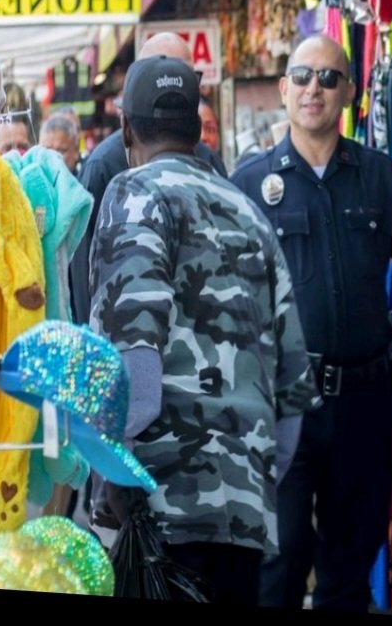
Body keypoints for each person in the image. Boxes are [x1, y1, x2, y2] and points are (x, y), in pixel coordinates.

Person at [88, 54, 317, 605]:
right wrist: (248, 475)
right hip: (243, 510)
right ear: (196, 127)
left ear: (126, 130)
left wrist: (114, 476)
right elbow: (291, 389)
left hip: (159, 505)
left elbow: (132, 359)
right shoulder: (248, 209)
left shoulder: (133, 192)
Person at [231, 33, 392, 613]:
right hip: (282, 405)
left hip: (363, 398)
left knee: (353, 559)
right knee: (280, 555)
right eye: (302, 77)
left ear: (349, 91)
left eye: (328, 78)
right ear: (283, 89)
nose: (314, 89)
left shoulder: (382, 178)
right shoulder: (247, 185)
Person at [69, 32, 227, 325]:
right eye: (161, 76)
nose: (175, 89)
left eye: (185, 77)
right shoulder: (105, 167)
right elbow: (84, 278)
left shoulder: (210, 162)